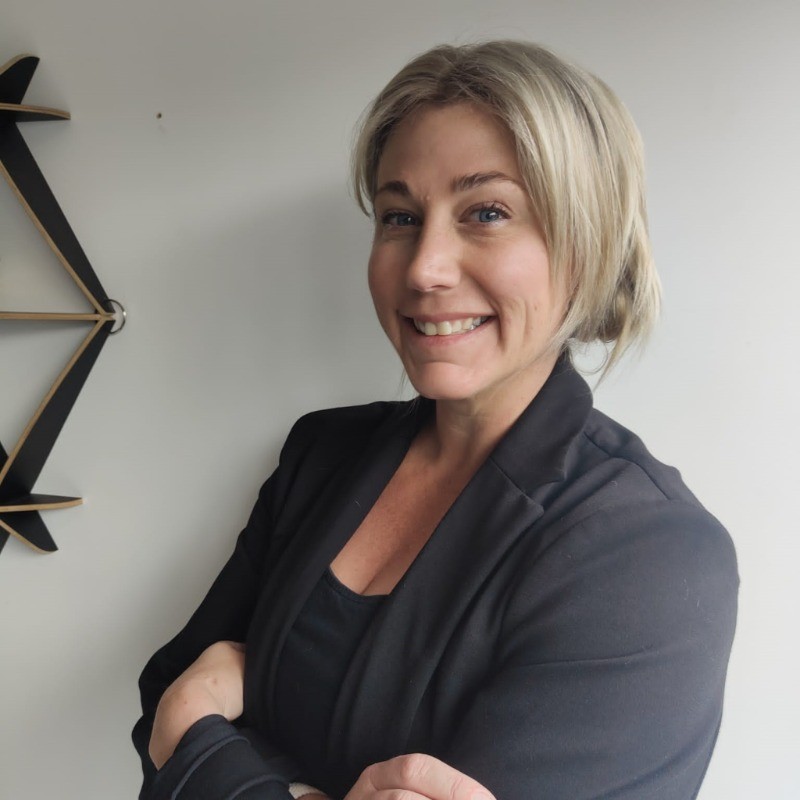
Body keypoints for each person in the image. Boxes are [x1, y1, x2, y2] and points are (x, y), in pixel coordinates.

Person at [132, 41, 738, 800]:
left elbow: (181, 728)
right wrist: (186, 721)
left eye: (486, 212)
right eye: (399, 216)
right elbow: (164, 696)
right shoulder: (321, 454)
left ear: (586, 244)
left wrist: (205, 739)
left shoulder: (652, 557)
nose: (424, 267)